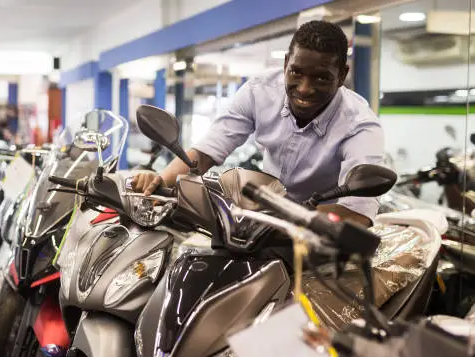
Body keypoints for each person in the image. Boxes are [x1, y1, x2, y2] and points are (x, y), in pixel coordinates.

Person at [131, 20, 386, 227]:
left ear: (342, 75)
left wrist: (296, 220)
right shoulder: (259, 91)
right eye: (296, 72)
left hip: (320, 231)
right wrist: (161, 182)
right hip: (260, 216)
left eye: (321, 78)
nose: (305, 89)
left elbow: (357, 212)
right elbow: (209, 149)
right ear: (286, 63)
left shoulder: (360, 125)